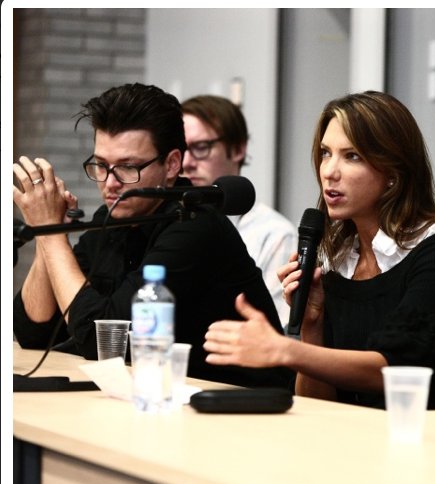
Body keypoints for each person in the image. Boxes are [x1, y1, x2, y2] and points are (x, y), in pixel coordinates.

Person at [204, 90, 435, 409]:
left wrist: (284, 349)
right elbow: (319, 405)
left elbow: (395, 370)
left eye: (351, 156)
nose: (329, 171)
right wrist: (313, 325)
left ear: (393, 173)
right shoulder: (338, 258)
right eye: (325, 153)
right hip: (356, 442)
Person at [12, 82, 293, 390]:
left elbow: (103, 342)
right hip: (160, 399)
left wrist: (52, 238)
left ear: (172, 164)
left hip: (240, 406)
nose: (110, 183)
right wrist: (47, 231)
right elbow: (32, 333)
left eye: (127, 168)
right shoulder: (111, 221)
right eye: (101, 166)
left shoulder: (195, 225)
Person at [181, 95, 297, 327]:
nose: (186, 162)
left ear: (237, 149)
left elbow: (276, 329)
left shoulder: (274, 234)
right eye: (181, 149)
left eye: (200, 148)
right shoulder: (172, 222)